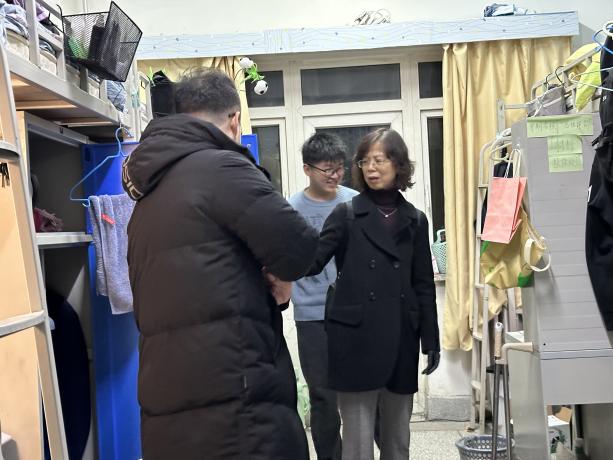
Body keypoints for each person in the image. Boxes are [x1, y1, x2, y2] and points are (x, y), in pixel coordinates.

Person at [122, 68, 318, 460]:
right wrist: (281, 277)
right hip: (234, 402)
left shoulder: (148, 192)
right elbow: (299, 249)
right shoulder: (223, 168)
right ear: (234, 120)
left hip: (166, 397)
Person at [308, 128, 440, 460]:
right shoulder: (347, 214)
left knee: (397, 440)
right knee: (357, 443)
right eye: (365, 161)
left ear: (398, 165)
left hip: (401, 336)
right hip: (355, 338)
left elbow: (423, 284)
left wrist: (431, 340)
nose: (371, 168)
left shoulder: (416, 220)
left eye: (379, 160)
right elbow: (313, 260)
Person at [289, 133, 358, 460]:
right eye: (327, 169)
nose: (334, 175)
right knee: (323, 396)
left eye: (339, 168)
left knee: (362, 393)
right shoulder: (291, 209)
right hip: (311, 316)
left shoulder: (355, 203)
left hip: (354, 314)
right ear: (307, 169)